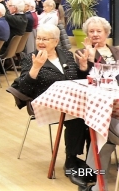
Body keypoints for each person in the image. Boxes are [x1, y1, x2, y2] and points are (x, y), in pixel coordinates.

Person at [9, 24, 91, 187]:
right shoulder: (29, 58)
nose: (40, 41)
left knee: (91, 116)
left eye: (45, 39)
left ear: (55, 41)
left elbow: (77, 79)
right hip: (44, 103)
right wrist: (35, 68)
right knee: (77, 119)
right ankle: (71, 161)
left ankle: (91, 160)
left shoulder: (66, 55)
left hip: (70, 101)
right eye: (38, 38)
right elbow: (24, 88)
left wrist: (83, 67)